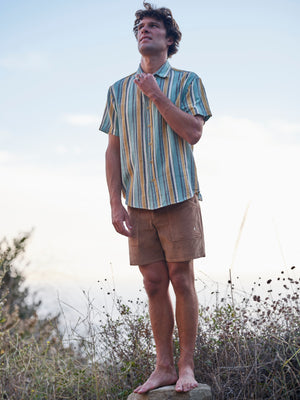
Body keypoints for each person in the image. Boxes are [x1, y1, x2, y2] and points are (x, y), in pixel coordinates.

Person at [99, 1, 212, 394]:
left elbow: (193, 133)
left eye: (152, 26)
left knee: (182, 278)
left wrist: (156, 95)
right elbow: (113, 150)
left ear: (169, 38)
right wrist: (115, 202)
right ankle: (162, 366)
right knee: (152, 283)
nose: (144, 31)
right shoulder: (117, 90)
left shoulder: (187, 81)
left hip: (179, 196)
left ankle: (185, 368)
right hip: (139, 203)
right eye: (140, 27)